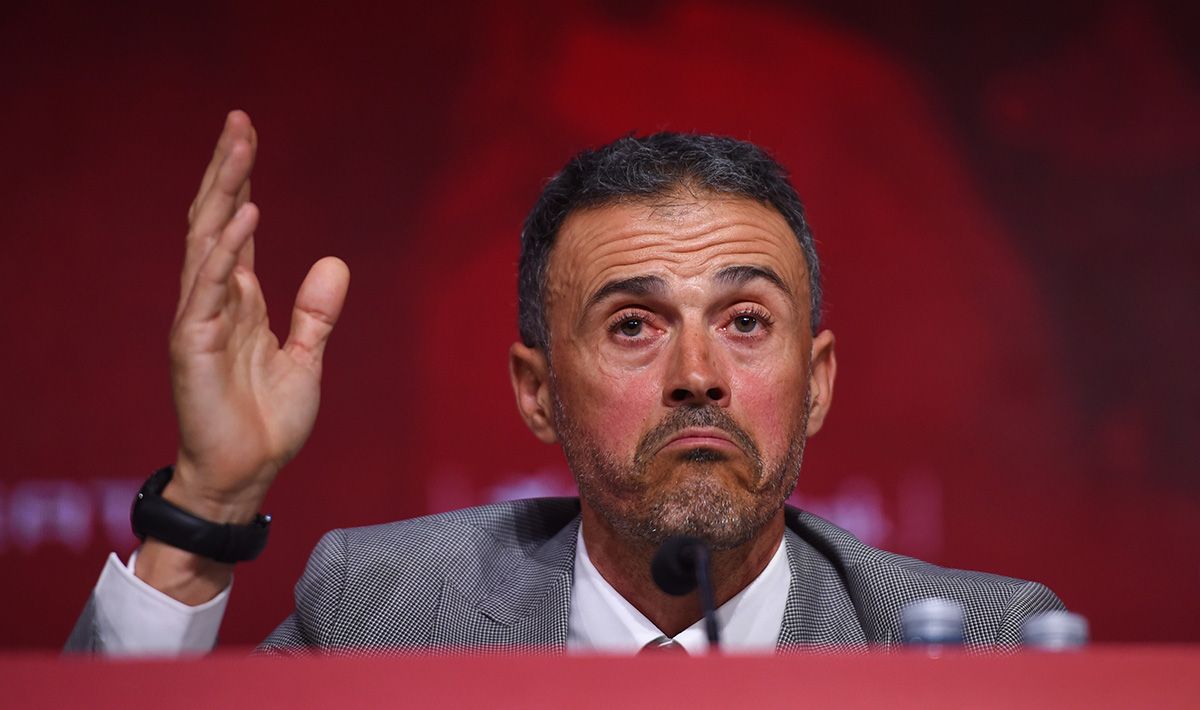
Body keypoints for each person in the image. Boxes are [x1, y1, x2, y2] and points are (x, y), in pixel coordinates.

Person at [67, 111, 1063, 655]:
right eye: (633, 324)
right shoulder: (381, 613)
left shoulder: (978, 647)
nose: (699, 376)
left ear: (818, 380)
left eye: (746, 321)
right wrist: (207, 504)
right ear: (534, 390)